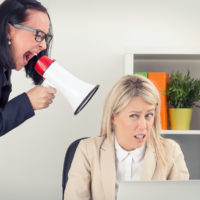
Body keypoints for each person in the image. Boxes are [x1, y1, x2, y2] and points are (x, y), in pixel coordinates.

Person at [64, 74, 189, 200]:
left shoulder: (170, 151)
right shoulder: (88, 150)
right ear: (113, 117)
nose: (143, 126)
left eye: (149, 115)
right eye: (134, 116)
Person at [0, 0, 56, 136]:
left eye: (45, 37)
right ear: (9, 31)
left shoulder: (5, 70)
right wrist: (27, 102)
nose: (43, 45)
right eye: (38, 35)